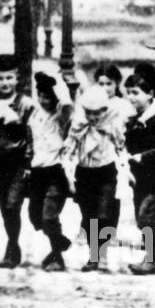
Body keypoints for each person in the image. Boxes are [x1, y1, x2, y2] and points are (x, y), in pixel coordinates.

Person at [62, 85, 124, 272]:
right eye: (89, 113)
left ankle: (102, 254)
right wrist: (68, 171)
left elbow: (121, 146)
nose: (93, 117)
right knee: (89, 216)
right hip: (85, 173)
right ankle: (94, 256)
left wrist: (124, 170)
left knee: (104, 213)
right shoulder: (79, 125)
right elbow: (69, 148)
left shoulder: (112, 123)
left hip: (106, 171)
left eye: (97, 113)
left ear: (104, 110)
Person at [0, 54, 37, 269]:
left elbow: (33, 134)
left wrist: (27, 164)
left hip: (19, 163)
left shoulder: (26, 104)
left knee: (12, 204)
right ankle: (12, 244)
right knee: (4, 207)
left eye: (9, 78)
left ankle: (12, 246)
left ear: (17, 78)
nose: (4, 83)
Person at [123, 64, 155, 275]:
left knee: (147, 217)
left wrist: (141, 157)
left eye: (136, 93)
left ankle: (152, 260)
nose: (131, 97)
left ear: (150, 94)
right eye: (128, 93)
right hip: (139, 179)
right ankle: (150, 256)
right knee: (141, 217)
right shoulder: (134, 121)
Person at [27, 70, 73, 271]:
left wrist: (60, 84)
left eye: (48, 97)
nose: (44, 100)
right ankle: (60, 241)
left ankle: (57, 256)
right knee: (35, 216)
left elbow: (67, 105)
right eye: (41, 96)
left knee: (49, 216)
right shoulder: (35, 114)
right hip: (38, 170)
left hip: (56, 171)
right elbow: (31, 140)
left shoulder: (60, 115)